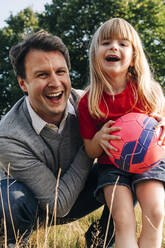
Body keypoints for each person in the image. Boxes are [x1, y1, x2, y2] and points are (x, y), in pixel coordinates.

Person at [0, 30, 115, 247]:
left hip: (77, 197)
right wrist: (91, 145)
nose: (55, 83)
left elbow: (138, 109)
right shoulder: (7, 136)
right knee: (12, 200)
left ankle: (102, 239)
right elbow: (58, 205)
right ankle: (15, 241)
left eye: (61, 72)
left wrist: (158, 118)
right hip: (33, 208)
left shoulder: (89, 104)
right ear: (23, 83)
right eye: (42, 75)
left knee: (132, 163)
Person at [78, 18, 165, 248]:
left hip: (150, 163)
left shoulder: (148, 90)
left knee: (155, 214)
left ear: (134, 56)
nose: (114, 47)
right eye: (106, 42)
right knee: (123, 220)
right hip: (112, 167)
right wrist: (99, 140)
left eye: (123, 43)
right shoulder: (89, 101)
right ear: (95, 53)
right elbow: (90, 149)